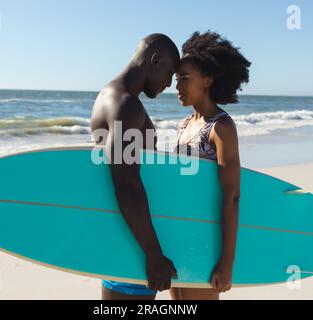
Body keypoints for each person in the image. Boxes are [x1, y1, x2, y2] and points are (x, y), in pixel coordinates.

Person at [90, 33, 180, 300]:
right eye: (170, 73)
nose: (170, 84)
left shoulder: (110, 96)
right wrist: (153, 254)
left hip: (124, 240)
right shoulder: (126, 106)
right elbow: (126, 184)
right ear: (155, 60)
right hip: (137, 249)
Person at [170, 31, 251, 300]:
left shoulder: (221, 127)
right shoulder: (184, 125)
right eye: (176, 79)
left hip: (203, 239)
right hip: (178, 234)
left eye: (184, 78)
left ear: (207, 79)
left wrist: (227, 263)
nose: (177, 86)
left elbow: (232, 196)